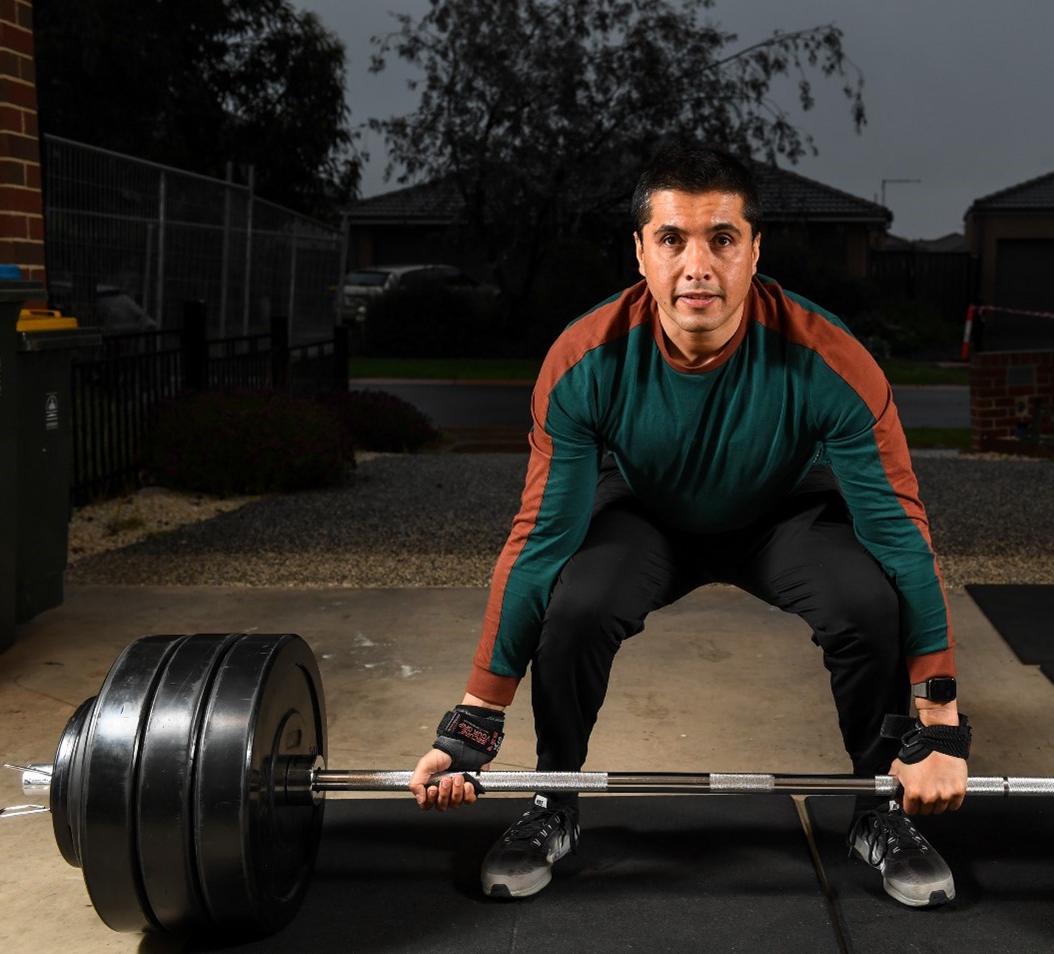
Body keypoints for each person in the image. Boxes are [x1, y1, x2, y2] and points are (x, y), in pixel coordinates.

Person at [409, 144, 969, 908]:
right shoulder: (585, 361)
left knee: (868, 602)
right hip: (648, 517)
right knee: (574, 605)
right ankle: (552, 799)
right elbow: (541, 540)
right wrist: (475, 719)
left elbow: (899, 534)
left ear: (754, 251)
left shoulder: (830, 359)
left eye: (722, 239)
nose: (697, 266)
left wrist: (938, 719)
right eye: (673, 239)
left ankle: (882, 810)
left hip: (782, 514)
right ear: (640, 252)